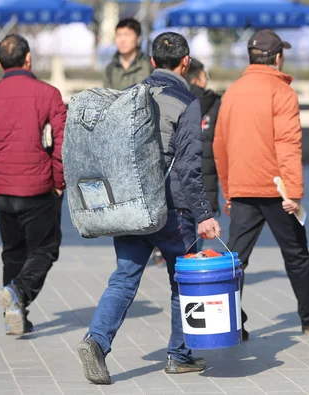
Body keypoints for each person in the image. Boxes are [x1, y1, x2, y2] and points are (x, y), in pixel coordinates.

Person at [78, 32, 221, 385]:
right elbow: (189, 166)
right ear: (185, 63)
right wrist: (204, 214)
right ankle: (179, 354)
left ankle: (96, 342)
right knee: (182, 282)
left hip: (133, 205)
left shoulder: (130, 96)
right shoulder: (188, 102)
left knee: (124, 279)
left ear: (153, 61)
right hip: (174, 212)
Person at [213, 29, 309, 342]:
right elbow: (288, 144)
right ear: (278, 57)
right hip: (277, 190)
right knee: (295, 254)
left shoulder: (233, 92)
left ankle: (230, 323)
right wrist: (294, 194)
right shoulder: (281, 92)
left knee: (235, 260)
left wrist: (229, 191)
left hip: (242, 188)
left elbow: (219, 145)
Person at [0, 34, 66, 336]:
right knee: (45, 249)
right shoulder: (48, 94)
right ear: (28, 58)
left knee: (12, 251)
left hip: (2, 192)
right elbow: (63, 143)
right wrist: (59, 180)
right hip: (38, 189)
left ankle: (15, 314)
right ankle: (18, 292)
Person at [186, 58, 221, 250]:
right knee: (197, 235)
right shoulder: (215, 103)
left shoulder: (176, 99)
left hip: (180, 181)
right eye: (204, 77)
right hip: (206, 180)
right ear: (196, 79)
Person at [104, 18, 153, 90]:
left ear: (138, 38)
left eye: (127, 35)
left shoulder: (150, 65)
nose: (122, 40)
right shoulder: (110, 69)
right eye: (119, 35)